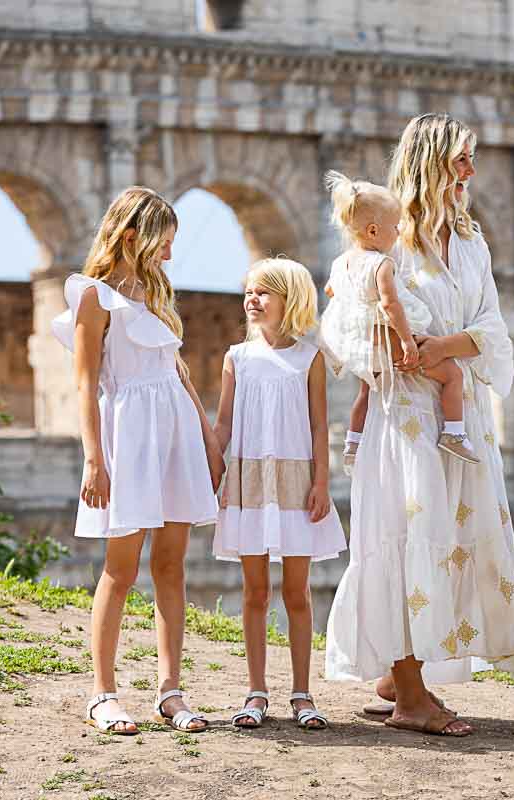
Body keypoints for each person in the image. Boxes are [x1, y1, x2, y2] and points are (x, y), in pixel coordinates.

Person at [325, 113, 514, 737]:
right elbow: (342, 327)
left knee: (447, 543)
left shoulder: (472, 243)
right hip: (403, 418)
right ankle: (412, 699)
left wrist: (441, 349)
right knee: (406, 536)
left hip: (458, 412)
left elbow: (496, 329)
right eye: (461, 159)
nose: (472, 171)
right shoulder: (387, 244)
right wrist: (390, 350)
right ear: (431, 163)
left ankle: (400, 675)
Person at [51, 186, 223, 735]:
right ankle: (102, 694)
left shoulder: (158, 293)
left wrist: (209, 441)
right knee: (119, 569)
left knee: (172, 566)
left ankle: (170, 691)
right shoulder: (93, 297)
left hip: (175, 432)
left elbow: (181, 376)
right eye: (164, 242)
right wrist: (93, 459)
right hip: (128, 435)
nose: (171, 254)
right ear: (132, 237)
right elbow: (83, 383)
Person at [212, 258, 347, 730]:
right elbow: (225, 423)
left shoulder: (309, 358)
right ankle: (255, 691)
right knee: (254, 592)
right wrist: (210, 461)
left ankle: (302, 693)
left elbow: (317, 425)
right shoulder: (236, 358)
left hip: (295, 485)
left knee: (297, 592)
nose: (253, 299)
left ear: (290, 300)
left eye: (264, 292)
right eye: (249, 291)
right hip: (249, 485)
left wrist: (322, 482)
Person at [318, 171, 478, 466]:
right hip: (389, 341)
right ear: (374, 232)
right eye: (395, 225)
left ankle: (353, 443)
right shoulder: (382, 265)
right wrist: (407, 342)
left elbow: (331, 290)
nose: (400, 230)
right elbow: (392, 307)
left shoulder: (341, 263)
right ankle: (454, 433)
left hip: (360, 344)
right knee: (452, 374)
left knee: (366, 390)